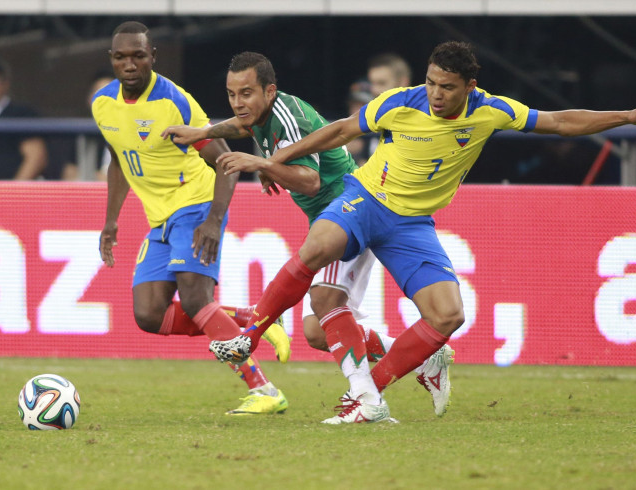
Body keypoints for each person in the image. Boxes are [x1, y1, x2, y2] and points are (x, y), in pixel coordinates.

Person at [209, 41, 636, 423]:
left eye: (446, 87)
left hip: (412, 223)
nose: (434, 94)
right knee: (319, 250)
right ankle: (249, 336)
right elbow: (341, 131)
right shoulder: (399, 102)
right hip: (366, 199)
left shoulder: (491, 110)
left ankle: (369, 397)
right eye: (430, 83)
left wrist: (627, 116)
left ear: (470, 86)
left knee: (448, 315)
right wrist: (275, 162)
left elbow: (559, 122)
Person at [163, 51, 454, 424]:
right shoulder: (261, 115)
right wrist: (203, 133)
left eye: (247, 93)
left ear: (270, 91)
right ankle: (423, 356)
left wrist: (265, 164)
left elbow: (311, 180)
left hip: (349, 213)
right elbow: (240, 127)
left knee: (324, 298)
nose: (238, 102)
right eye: (232, 94)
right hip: (331, 217)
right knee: (317, 332)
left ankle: (367, 399)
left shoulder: (288, 115)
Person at [93, 22, 289, 415]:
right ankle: (248, 318)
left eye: (138, 55)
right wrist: (111, 219)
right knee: (149, 314)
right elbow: (118, 158)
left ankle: (264, 389)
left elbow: (225, 160)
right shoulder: (102, 104)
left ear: (153, 57)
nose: (129, 64)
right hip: (159, 217)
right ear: (111, 59)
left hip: (196, 204)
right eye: (121, 56)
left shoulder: (174, 102)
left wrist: (214, 220)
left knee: (196, 298)